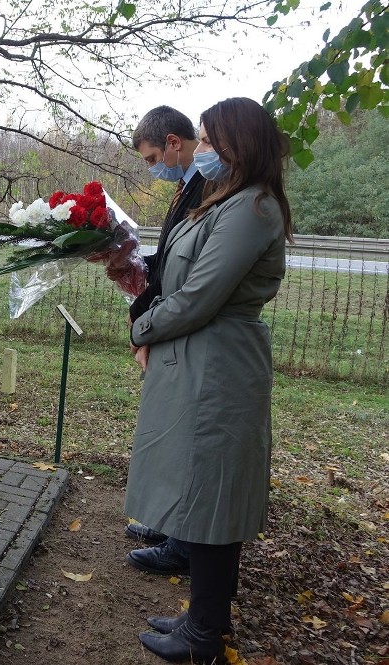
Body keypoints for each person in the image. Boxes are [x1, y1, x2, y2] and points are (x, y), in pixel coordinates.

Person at [125, 97, 292, 663]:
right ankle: (201, 617)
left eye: (209, 140)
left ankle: (203, 637)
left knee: (214, 498)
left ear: (239, 143)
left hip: (219, 369)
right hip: (199, 362)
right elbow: (181, 273)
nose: (202, 150)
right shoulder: (229, 201)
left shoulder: (253, 209)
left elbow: (200, 296)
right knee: (200, 492)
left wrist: (141, 327)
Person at [123, 106, 207, 576]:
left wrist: (145, 322)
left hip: (185, 327)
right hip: (169, 320)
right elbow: (175, 253)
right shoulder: (187, 184)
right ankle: (169, 520)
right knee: (167, 430)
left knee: (185, 434)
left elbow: (193, 270)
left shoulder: (210, 184)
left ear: (174, 142)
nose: (152, 168)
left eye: (153, 157)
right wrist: (131, 263)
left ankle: (183, 539)